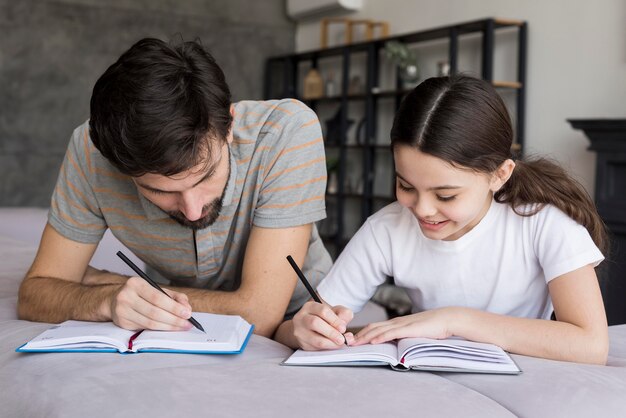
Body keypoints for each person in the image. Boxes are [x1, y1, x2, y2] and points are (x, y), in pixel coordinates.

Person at [275, 75, 610, 364]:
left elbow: (591, 345)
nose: (422, 209)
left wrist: (453, 320)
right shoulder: (387, 229)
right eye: (405, 186)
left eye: (446, 195)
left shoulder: (543, 223)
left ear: (500, 175)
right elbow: (293, 329)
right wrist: (303, 329)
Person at [18, 38, 332, 338]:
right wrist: (106, 299)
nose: (192, 210)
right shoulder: (91, 153)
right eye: (160, 192)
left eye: (205, 177)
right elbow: (36, 294)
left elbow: (259, 316)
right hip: (179, 326)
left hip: (308, 320)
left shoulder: (287, 132)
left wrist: (118, 283)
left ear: (230, 126)